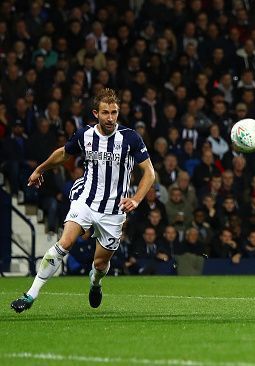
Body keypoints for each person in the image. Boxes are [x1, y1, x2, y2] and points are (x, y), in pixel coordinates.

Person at [11, 88, 155, 313]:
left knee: (99, 264)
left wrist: (136, 199)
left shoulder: (130, 138)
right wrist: (40, 169)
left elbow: (149, 173)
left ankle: (95, 282)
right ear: (96, 113)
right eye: (106, 113)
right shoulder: (84, 135)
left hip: (113, 210)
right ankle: (30, 294)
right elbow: (64, 153)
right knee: (64, 243)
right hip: (85, 200)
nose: (110, 118)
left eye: (114, 113)